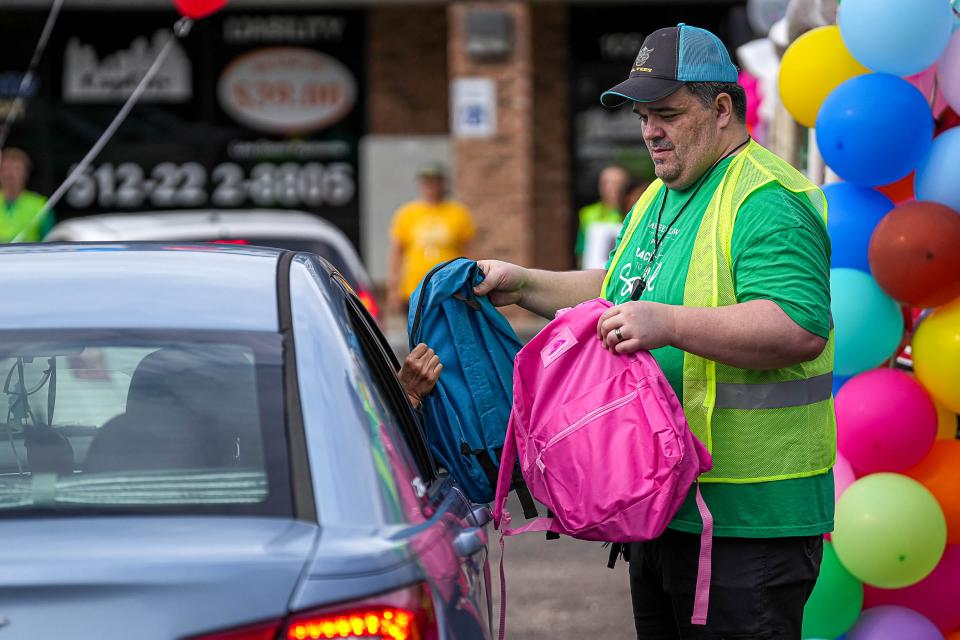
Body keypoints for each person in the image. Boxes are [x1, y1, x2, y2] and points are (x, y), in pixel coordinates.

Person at [474, 24, 834, 640]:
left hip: (752, 522)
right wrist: (525, 283)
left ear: (723, 110)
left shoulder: (766, 199)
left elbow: (798, 324)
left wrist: (666, 325)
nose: (650, 131)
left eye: (667, 113)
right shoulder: (661, 195)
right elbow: (622, 291)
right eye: (643, 116)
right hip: (667, 509)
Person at [387, 162, 476, 314]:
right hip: (415, 287)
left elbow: (469, 252)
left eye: (434, 182)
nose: (430, 187)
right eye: (426, 182)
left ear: (443, 184)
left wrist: (471, 282)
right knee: (419, 333)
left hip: (450, 286)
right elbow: (397, 252)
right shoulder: (407, 213)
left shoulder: (458, 213)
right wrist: (394, 288)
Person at [576, 165, 632, 269]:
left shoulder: (634, 212)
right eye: (606, 183)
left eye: (617, 183)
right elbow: (581, 251)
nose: (611, 188)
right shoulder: (588, 213)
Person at [0, 147, 54, 243]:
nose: (10, 174)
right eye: (5, 168)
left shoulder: (40, 205)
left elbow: (50, 242)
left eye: (16, 169)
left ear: (26, 173)